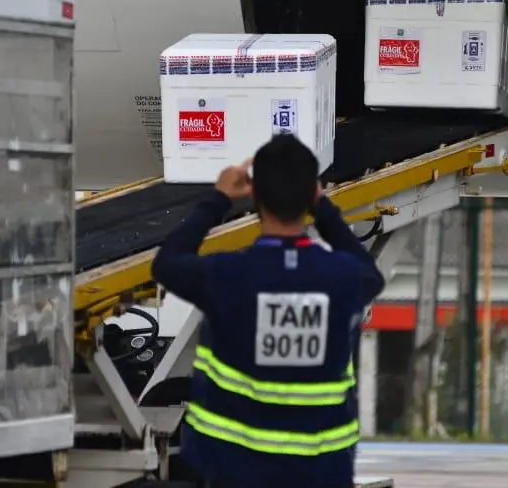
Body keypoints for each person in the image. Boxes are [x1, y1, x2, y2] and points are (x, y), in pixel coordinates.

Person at [151, 134, 386, 488]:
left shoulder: (227, 275)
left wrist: (218, 199)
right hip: (321, 472)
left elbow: (166, 263)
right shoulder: (343, 277)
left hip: (234, 470)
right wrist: (323, 209)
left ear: (255, 195)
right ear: (311, 196)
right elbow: (371, 275)